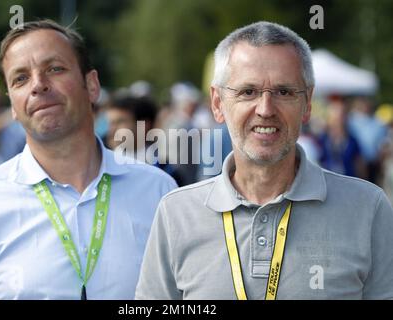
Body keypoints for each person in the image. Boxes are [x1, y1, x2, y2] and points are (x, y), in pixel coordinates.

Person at [135, 21, 393, 300]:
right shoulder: (177, 213)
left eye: (284, 92)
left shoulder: (368, 208)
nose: (266, 109)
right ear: (218, 103)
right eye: (248, 92)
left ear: (307, 104)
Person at [0, 19, 177, 300]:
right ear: (13, 107)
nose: (38, 85)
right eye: (20, 78)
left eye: (54, 69)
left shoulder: (159, 192)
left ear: (91, 85)